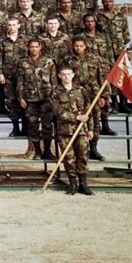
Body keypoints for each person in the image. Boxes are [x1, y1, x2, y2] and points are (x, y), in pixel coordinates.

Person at [62, 36, 110, 161]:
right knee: (76, 120)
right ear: (73, 46)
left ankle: (93, 149)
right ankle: (79, 150)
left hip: (93, 94)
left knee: (95, 121)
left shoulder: (95, 59)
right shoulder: (68, 60)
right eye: (76, 46)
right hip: (76, 95)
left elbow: (103, 78)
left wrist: (103, 95)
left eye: (81, 46)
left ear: (85, 46)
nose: (78, 48)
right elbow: (63, 78)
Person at [51, 65, 94, 196]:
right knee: (69, 158)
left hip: (81, 131)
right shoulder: (55, 92)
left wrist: (90, 129)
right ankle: (72, 184)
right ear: (59, 76)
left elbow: (88, 110)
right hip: (65, 131)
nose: (66, 77)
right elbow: (58, 112)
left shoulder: (81, 90)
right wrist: (76, 117)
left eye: (68, 74)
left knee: (83, 156)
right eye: (63, 74)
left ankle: (83, 184)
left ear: (73, 75)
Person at [17, 39, 57, 159]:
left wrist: (54, 97)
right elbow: (20, 82)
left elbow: (53, 80)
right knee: (32, 125)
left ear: (40, 48)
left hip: (47, 98)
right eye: (32, 47)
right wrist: (21, 97)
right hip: (30, 99)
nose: (34, 49)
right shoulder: (23, 63)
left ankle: (47, 151)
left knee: (47, 126)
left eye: (36, 46)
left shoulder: (48, 62)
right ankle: (38, 151)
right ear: (28, 48)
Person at [78, 13, 118, 134]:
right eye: (87, 21)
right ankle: (93, 129)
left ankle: (105, 125)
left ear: (95, 22)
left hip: (103, 71)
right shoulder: (80, 37)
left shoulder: (104, 37)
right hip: (88, 71)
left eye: (92, 21)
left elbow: (110, 54)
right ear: (84, 23)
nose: (90, 23)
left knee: (104, 99)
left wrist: (111, 69)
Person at [96, 0, 132, 114]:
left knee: (122, 77)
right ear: (102, 3)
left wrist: (129, 51)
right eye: (105, 1)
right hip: (105, 52)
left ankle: (124, 103)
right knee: (110, 78)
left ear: (113, 2)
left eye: (110, 1)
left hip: (120, 51)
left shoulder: (121, 16)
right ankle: (114, 104)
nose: (108, 3)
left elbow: (126, 34)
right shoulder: (98, 17)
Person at [0, 17, 28, 136]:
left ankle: (25, 127)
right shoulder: (2, 41)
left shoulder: (25, 39)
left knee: (24, 100)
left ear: (19, 25)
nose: (12, 27)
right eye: (9, 25)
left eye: (14, 25)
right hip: (8, 75)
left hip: (24, 75)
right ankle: (15, 128)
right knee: (11, 101)